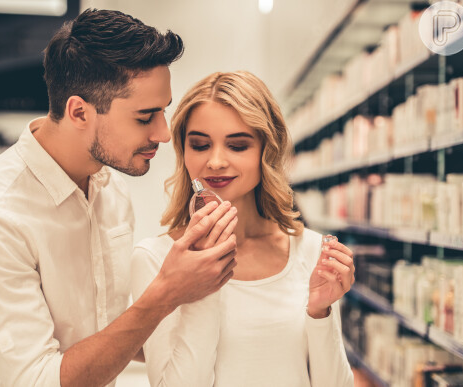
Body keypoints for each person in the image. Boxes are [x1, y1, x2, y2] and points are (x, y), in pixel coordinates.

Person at [0, 9, 238, 387]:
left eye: (163, 112)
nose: (163, 134)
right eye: (145, 117)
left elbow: (108, 329)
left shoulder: (110, 191)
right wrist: (166, 292)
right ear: (79, 111)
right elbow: (39, 380)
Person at [131, 71, 356, 387]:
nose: (216, 161)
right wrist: (201, 285)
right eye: (200, 144)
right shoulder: (155, 259)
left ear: (267, 150)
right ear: (184, 151)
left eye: (237, 145)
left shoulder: (311, 251)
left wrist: (320, 313)